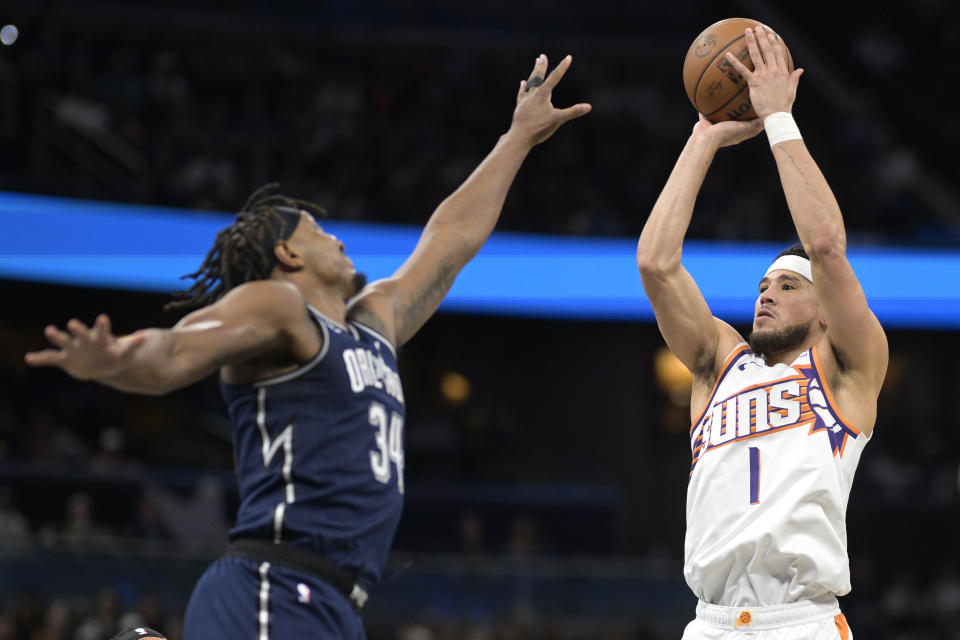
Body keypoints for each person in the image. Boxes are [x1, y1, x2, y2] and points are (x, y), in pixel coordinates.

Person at [25, 54, 590, 639]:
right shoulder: (278, 308)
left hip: (334, 604)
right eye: (318, 231)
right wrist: (116, 359)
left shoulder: (374, 322)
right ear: (289, 257)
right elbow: (175, 352)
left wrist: (518, 137)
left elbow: (450, 238)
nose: (338, 237)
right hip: (274, 584)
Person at [636, 26, 887, 639]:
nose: (767, 294)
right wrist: (703, 138)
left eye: (787, 286)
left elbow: (826, 246)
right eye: (762, 287)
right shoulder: (719, 363)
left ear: (825, 309)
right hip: (710, 622)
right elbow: (656, 263)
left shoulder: (846, 367)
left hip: (800, 621)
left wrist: (779, 120)